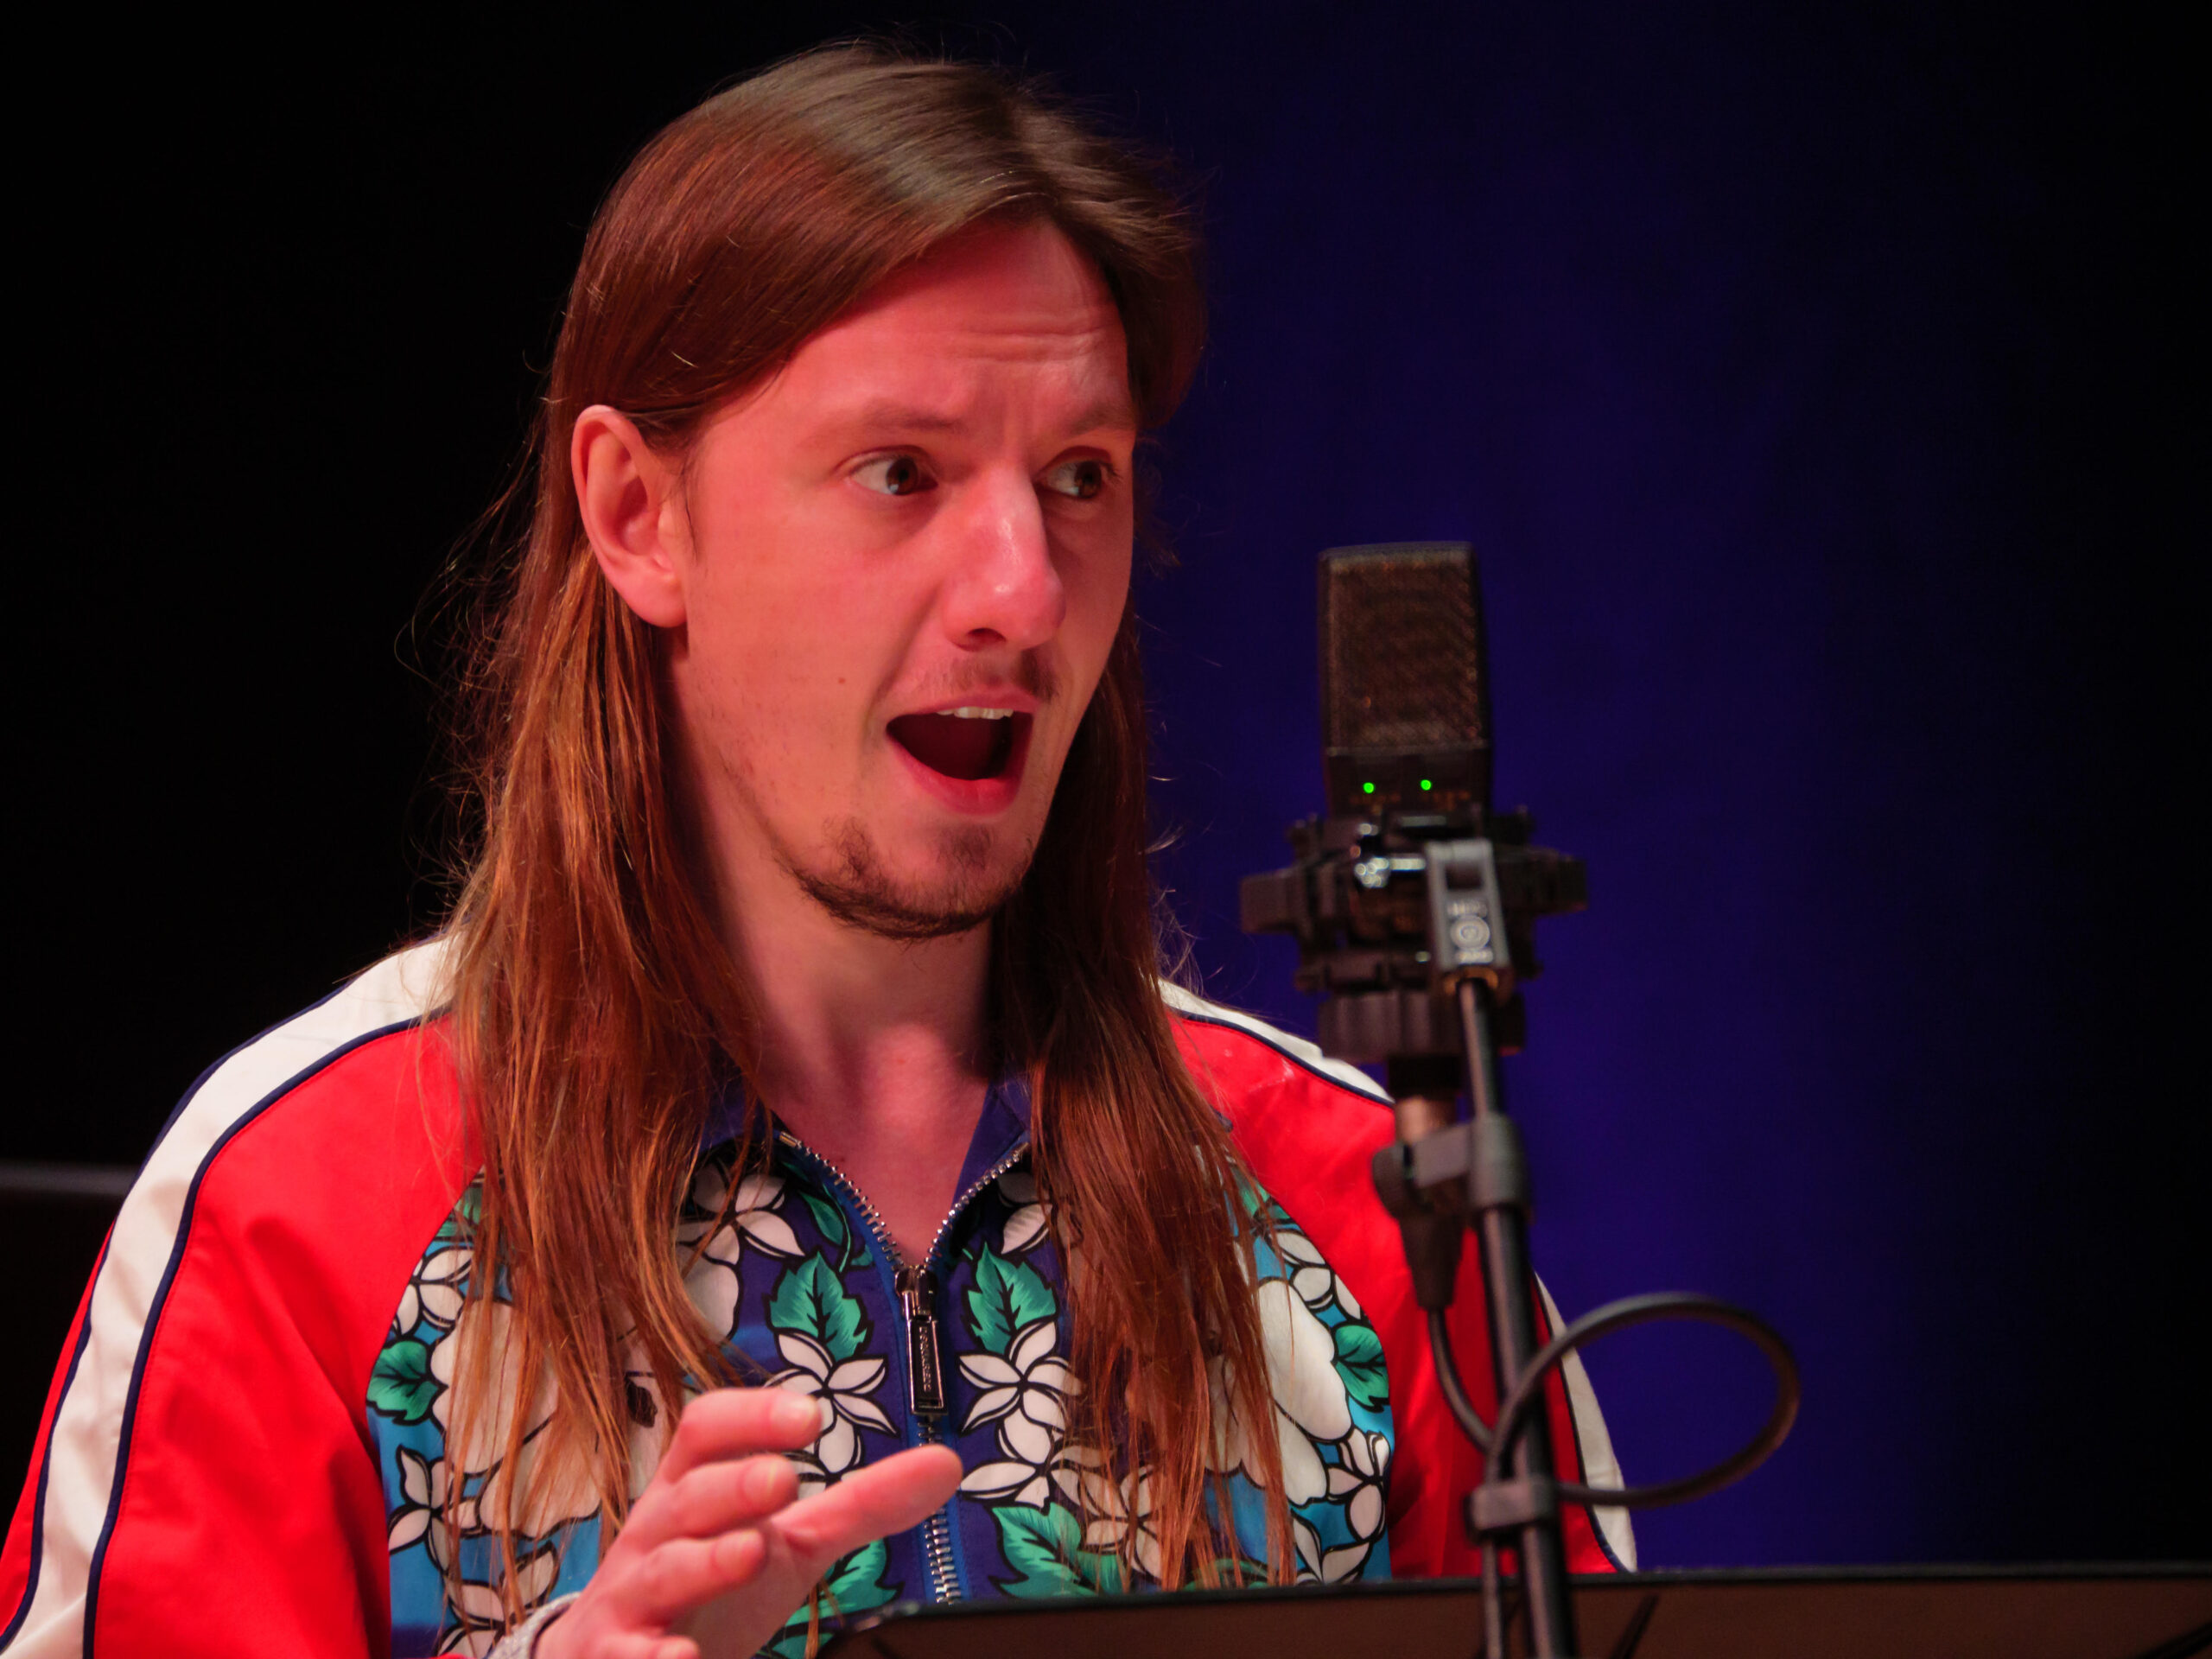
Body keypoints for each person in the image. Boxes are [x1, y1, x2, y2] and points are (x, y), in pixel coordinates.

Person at [0, 46, 1631, 1659]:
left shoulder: (1371, 1208)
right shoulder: (302, 1196)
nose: (1024, 588)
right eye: (899, 473)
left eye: (1080, 478)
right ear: (641, 516)